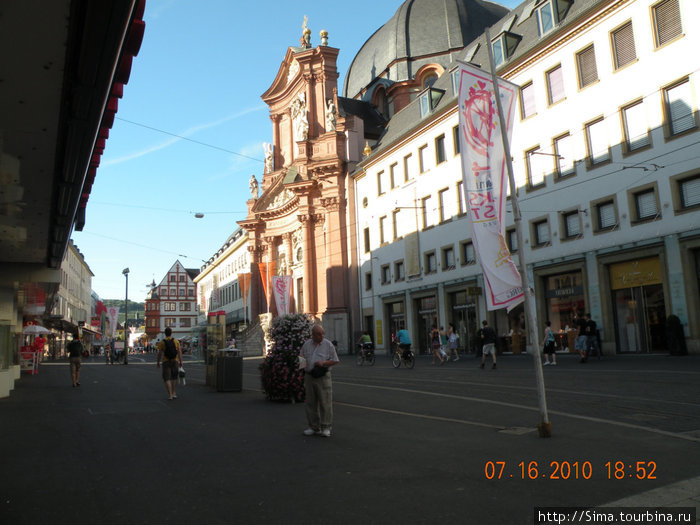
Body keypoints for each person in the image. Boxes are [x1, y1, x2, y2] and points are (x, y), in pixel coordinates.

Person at [300, 323, 339, 437]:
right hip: (309, 375)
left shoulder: (328, 345)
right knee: (311, 403)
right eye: (318, 334)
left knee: (325, 402)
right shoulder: (306, 345)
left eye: (322, 333)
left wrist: (324, 363)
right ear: (312, 335)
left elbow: (335, 360)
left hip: (323, 376)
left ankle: (326, 427)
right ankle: (313, 427)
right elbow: (301, 358)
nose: (321, 336)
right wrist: (303, 369)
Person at [156, 327, 183, 400]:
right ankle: (174, 392)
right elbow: (179, 352)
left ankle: (170, 394)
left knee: (167, 378)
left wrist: (158, 362)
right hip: (175, 360)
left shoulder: (162, 342)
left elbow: (159, 353)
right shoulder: (176, 341)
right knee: (174, 377)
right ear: (171, 333)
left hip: (166, 361)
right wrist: (181, 361)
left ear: (165, 333)